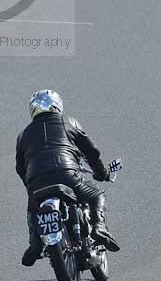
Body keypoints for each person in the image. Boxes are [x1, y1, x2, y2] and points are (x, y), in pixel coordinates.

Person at [16, 89, 120, 267]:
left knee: (33, 209)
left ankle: (35, 242)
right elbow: (91, 152)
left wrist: (30, 187)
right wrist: (101, 173)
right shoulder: (69, 122)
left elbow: (20, 167)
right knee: (96, 195)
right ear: (57, 105)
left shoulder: (23, 134)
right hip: (68, 174)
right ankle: (99, 226)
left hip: (37, 181)